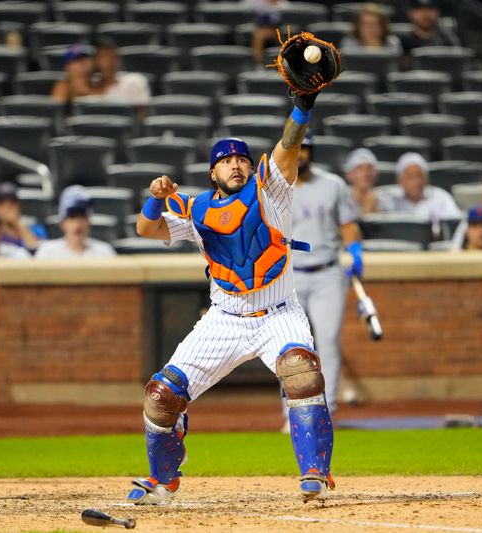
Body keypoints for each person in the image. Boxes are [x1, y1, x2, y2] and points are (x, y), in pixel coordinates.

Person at [131, 82, 335, 503]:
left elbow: (286, 147)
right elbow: (147, 229)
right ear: (212, 172)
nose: (236, 165)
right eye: (225, 161)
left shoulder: (270, 190)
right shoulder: (197, 209)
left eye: (241, 158)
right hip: (223, 318)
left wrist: (302, 106)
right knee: (160, 398)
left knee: (301, 372)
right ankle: (163, 480)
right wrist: (155, 200)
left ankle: (315, 472)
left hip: (278, 312)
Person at [288, 132, 363, 427]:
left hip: (327, 272)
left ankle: (326, 410)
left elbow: (348, 225)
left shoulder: (333, 185)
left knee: (328, 343)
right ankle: (292, 414)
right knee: (291, 347)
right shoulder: (275, 187)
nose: (302, 154)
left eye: (306, 149)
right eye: (298, 149)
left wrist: (354, 250)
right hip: (289, 276)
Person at [34, 186, 116, 259]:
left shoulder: (104, 252)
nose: (78, 223)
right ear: (63, 222)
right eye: (72, 217)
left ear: (88, 221)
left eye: (82, 216)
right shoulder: (47, 253)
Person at [384, 152, 462, 222]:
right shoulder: (390, 200)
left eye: (420, 176)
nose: (417, 181)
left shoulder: (441, 198)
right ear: (400, 181)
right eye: (411, 177)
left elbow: (454, 221)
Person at [399, 0, 461, 69]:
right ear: (410, 13)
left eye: (430, 8)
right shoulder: (403, 45)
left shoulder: (448, 42)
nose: (425, 14)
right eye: (419, 9)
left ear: (438, 12)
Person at [92, 38, 152, 107]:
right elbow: (76, 48)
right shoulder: (87, 83)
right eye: (103, 57)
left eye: (113, 56)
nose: (109, 62)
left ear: (119, 60)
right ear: (95, 61)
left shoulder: (135, 81)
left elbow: (143, 112)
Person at [0, 182, 47, 251]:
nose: (7, 207)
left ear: (18, 205)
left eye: (12, 203)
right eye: (2, 203)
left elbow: (40, 251)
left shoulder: (34, 226)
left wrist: (17, 224)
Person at [343, 148, 389, 214]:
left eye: (370, 168)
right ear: (349, 174)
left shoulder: (386, 201)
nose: (366, 173)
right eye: (360, 168)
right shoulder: (341, 200)